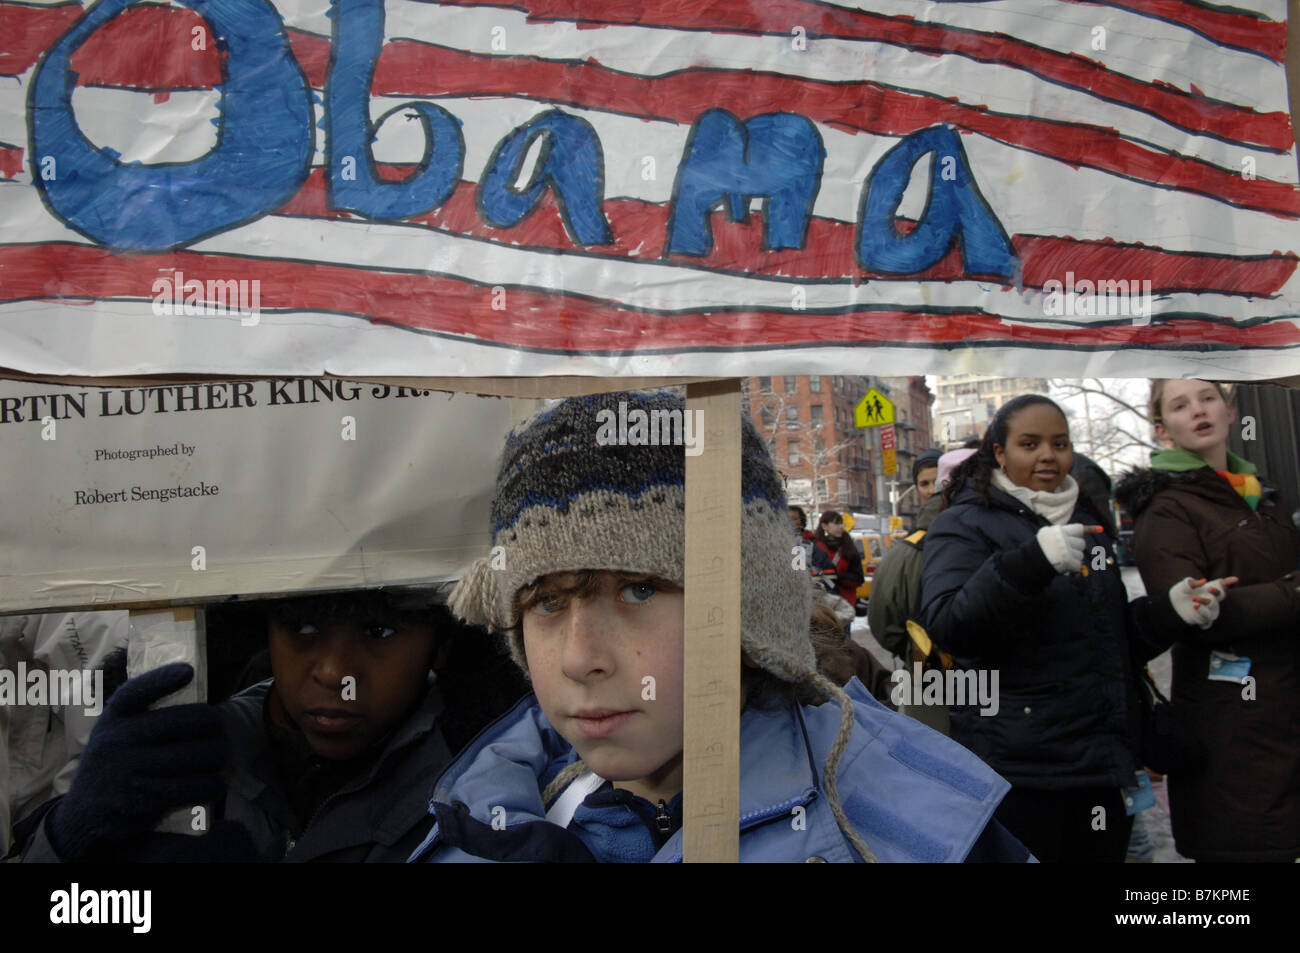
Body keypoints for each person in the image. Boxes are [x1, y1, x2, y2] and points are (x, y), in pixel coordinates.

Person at [411, 391, 1033, 863]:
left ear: (750, 607)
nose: (579, 659)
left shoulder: (922, 830)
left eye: (638, 588)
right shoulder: (476, 826)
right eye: (546, 602)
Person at [919, 394, 1230, 863]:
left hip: (1102, 767)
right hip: (1023, 774)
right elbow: (950, 628)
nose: (1048, 455)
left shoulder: (1087, 523)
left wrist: (1170, 611)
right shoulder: (963, 524)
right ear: (999, 453)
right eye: (1030, 443)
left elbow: (1111, 641)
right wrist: (1029, 564)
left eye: (1059, 443)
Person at [13, 589, 528, 862]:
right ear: (264, 632)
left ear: (441, 643)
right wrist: (69, 840)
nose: (334, 674)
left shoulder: (484, 786)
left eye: (379, 630)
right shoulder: (171, 761)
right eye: (301, 627)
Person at [1115, 379, 1300, 862]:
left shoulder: (1265, 495)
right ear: (1162, 429)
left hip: (1287, 705)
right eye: (1180, 405)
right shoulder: (1167, 509)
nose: (1198, 410)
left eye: (1208, 398)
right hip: (1232, 720)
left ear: (1230, 410)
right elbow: (1200, 611)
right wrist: (1292, 593)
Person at [868, 448, 963, 733]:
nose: (933, 490)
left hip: (963, 681)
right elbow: (885, 623)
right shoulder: (905, 552)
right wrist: (917, 650)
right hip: (930, 678)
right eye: (924, 483)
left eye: (941, 481)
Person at [810, 510, 864, 610]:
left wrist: (836, 576)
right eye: (836, 523)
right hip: (820, 605)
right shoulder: (813, 547)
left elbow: (858, 578)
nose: (841, 526)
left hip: (843, 604)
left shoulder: (848, 547)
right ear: (824, 526)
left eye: (841, 523)